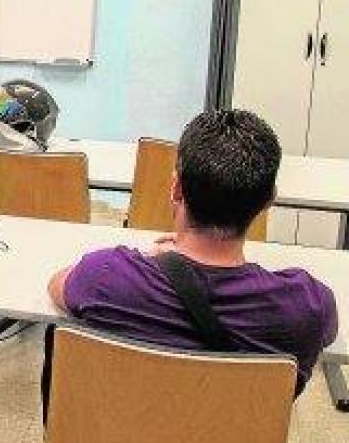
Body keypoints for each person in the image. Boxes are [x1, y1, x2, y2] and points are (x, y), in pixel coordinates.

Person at [48, 109, 337, 396]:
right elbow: (330, 333)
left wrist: (154, 262)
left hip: (119, 440)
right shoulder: (308, 306)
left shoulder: (106, 274)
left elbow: (57, 286)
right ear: (268, 202)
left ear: (175, 189)